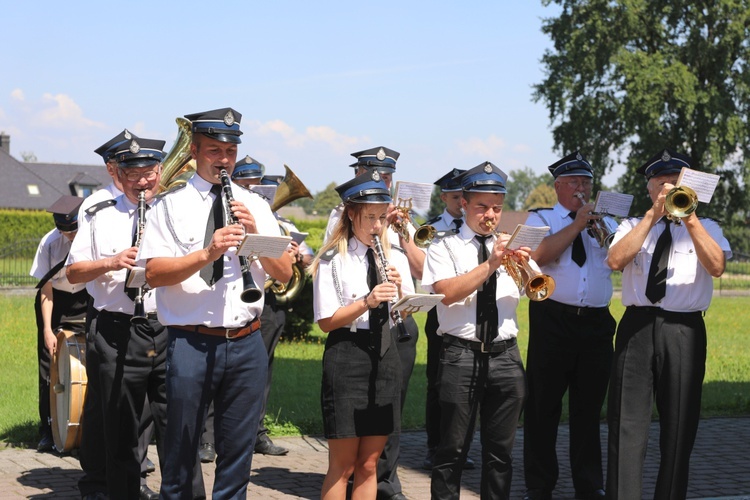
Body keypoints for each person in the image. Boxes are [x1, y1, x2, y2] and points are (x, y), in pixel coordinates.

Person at [139, 107, 293, 499]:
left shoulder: (255, 205)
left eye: (229, 151)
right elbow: (154, 273)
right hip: (191, 341)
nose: (223, 160)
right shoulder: (169, 205)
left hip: (246, 342)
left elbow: (285, 273)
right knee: (181, 451)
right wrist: (207, 253)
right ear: (194, 151)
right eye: (213, 150)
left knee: (238, 454)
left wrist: (257, 235)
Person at [605, 149, 731, 499]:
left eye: (675, 184)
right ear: (649, 188)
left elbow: (717, 267)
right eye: (661, 184)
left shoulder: (710, 228)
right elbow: (615, 260)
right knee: (626, 425)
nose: (668, 189)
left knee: (679, 425)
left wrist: (689, 218)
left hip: (684, 329)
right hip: (637, 327)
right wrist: (651, 215)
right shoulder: (632, 225)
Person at [66, 136, 170, 500]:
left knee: (171, 422)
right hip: (116, 327)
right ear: (118, 174)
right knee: (118, 421)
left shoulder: (173, 210)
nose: (143, 182)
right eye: (133, 174)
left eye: (150, 173)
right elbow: (74, 273)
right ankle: (114, 487)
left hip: (166, 326)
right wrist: (111, 262)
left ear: (160, 171)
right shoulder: (99, 212)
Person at [422, 161, 529, 500]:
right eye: (482, 207)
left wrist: (522, 264)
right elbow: (447, 292)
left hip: (506, 357)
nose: (490, 215)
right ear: (464, 204)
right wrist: (491, 264)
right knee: (451, 452)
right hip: (460, 355)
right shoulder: (444, 246)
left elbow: (539, 290)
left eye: (497, 208)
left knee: (500, 455)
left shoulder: (507, 246)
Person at [311, 169, 414, 500]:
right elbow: (327, 322)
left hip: (386, 356)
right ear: (351, 213)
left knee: (370, 464)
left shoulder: (392, 255)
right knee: (343, 466)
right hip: (348, 355)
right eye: (370, 217)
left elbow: (401, 315)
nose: (377, 226)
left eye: (381, 217)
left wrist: (400, 294)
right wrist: (367, 301)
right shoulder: (332, 259)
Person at [521, 152, 617, 500]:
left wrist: (596, 225)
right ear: (558, 186)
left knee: (588, 409)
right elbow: (537, 256)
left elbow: (619, 258)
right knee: (542, 407)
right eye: (574, 182)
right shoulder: (542, 217)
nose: (581, 188)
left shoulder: (603, 220)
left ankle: (589, 483)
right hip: (553, 322)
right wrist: (576, 224)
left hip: (595, 324)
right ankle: (539, 483)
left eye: (586, 183)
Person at [420, 168, 475, 471]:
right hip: (439, 309)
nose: (461, 203)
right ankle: (434, 445)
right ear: (444, 198)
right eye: (456, 197)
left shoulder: (474, 227)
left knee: (467, 383)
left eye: (465, 197)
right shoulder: (431, 228)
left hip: (470, 310)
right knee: (438, 381)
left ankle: (460, 448)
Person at [29, 195, 88, 453]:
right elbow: (46, 290)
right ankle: (48, 430)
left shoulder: (93, 235)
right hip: (56, 300)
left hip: (87, 298)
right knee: (49, 365)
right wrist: (46, 330)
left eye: (73, 230)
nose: (70, 236)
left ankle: (86, 428)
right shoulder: (50, 243)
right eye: (64, 231)